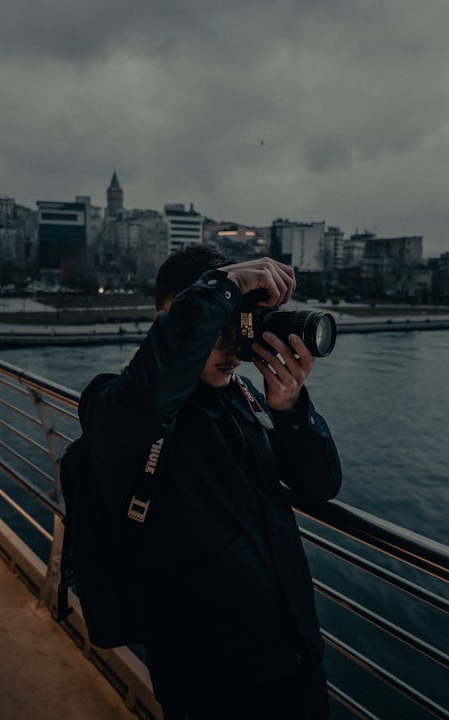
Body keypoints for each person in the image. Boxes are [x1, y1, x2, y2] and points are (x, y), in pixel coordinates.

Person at [78, 246, 342, 720]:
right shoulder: (113, 401)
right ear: (171, 319)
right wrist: (225, 286)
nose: (231, 348)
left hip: (296, 662)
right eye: (216, 328)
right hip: (212, 685)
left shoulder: (245, 399)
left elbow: (321, 485)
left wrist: (290, 409)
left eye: (235, 327)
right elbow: (149, 401)